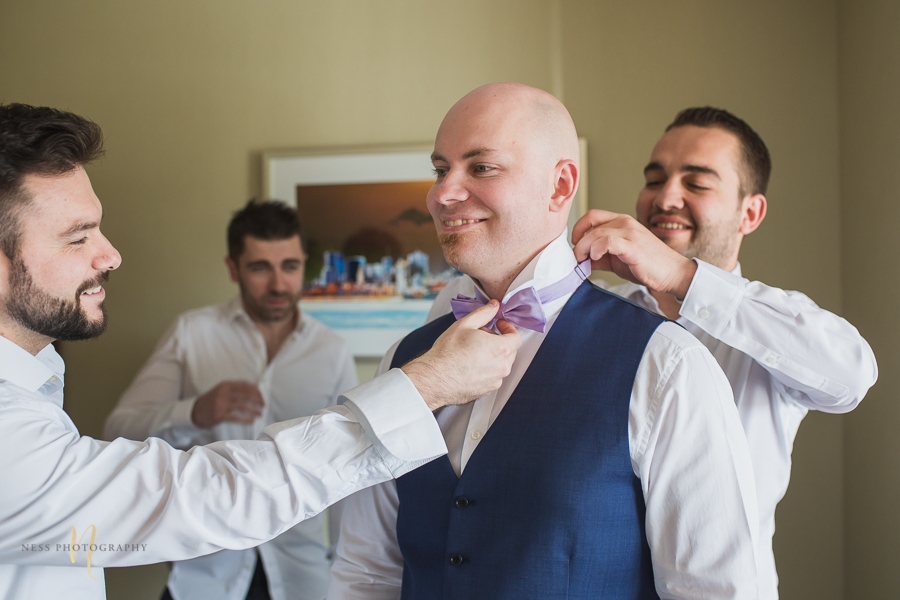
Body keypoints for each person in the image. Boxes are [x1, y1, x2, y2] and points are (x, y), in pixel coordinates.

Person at [0, 103, 521, 600]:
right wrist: (426, 385)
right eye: (76, 238)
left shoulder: (34, 389)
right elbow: (203, 494)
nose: (111, 254)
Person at [328, 83, 760, 600]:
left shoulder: (666, 364)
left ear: (559, 187)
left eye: (481, 167)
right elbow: (366, 571)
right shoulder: (405, 359)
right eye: (441, 169)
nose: (442, 194)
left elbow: (714, 590)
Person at [560, 107, 877, 599]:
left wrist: (681, 278)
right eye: (655, 178)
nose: (665, 197)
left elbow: (852, 377)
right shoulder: (593, 314)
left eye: (698, 182)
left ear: (749, 213)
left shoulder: (773, 329)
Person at [104, 200, 358, 600]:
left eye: (290, 266)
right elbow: (120, 428)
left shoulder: (333, 352)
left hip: (302, 576)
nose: (278, 284)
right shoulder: (192, 333)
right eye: (260, 267)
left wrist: (351, 575)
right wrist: (194, 412)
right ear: (232, 268)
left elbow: (349, 471)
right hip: (204, 572)